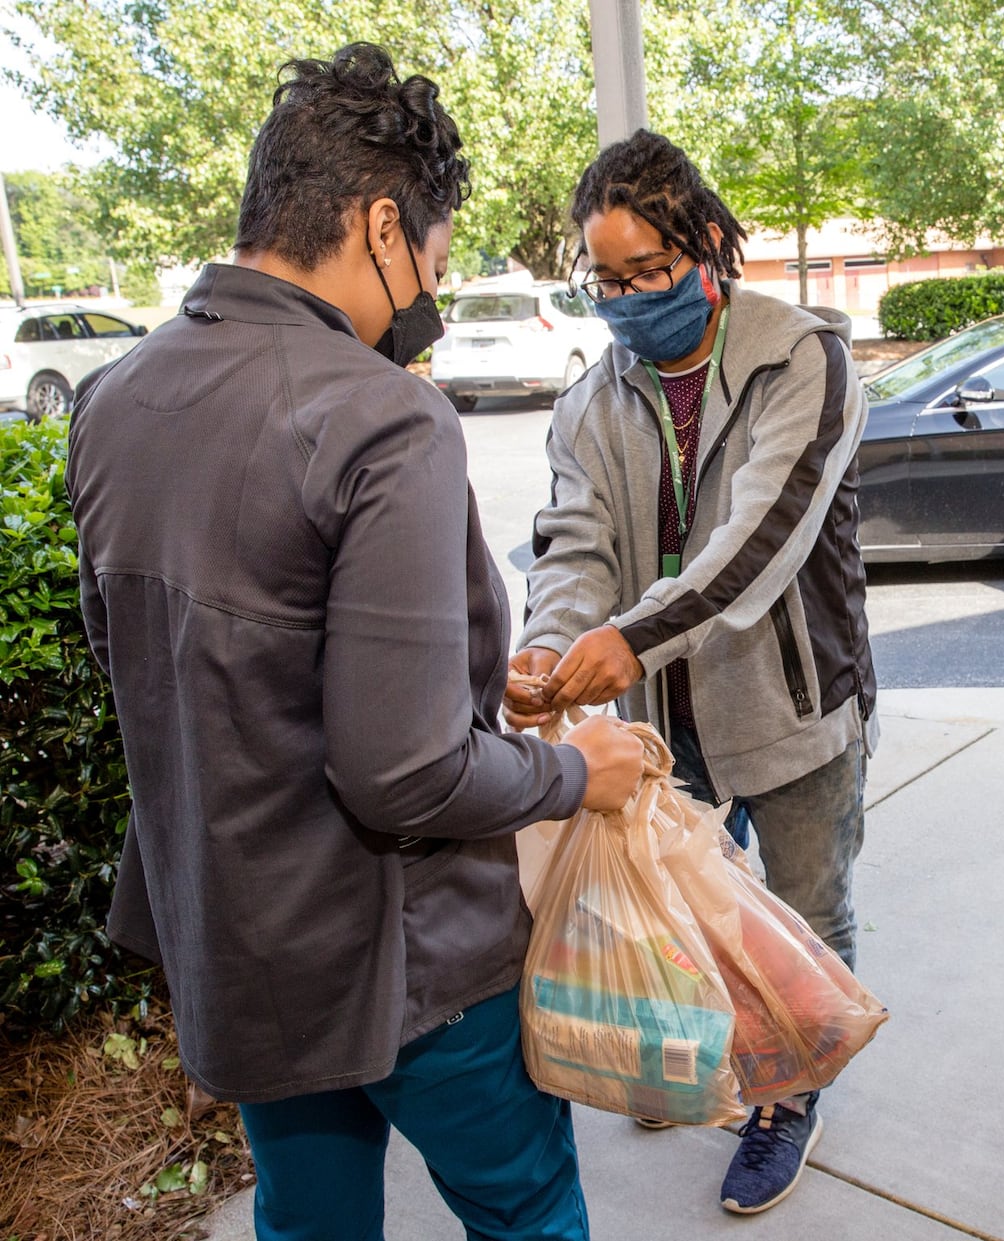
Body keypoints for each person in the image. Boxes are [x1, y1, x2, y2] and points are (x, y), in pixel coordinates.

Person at [65, 43, 643, 1241]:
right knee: (528, 1210)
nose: (428, 290)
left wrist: (481, 679)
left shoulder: (112, 399)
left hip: (241, 944)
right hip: (409, 956)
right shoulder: (386, 417)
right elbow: (405, 771)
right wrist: (579, 771)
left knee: (307, 1221)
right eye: (433, 259)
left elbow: (168, 669)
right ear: (385, 226)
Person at [502, 129, 878, 1216]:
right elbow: (572, 545)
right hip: (668, 715)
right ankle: (695, 1062)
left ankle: (790, 1096)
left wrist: (624, 639)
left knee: (803, 917)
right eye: (603, 280)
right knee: (679, 915)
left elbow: (757, 543)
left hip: (793, 706)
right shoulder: (591, 400)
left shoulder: (800, 358)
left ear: (707, 242)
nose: (624, 300)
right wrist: (549, 642)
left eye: (647, 273)